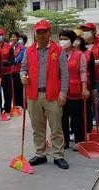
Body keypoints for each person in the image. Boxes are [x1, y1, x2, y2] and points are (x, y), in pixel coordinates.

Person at [20, 20, 69, 170]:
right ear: (35, 33)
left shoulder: (58, 50)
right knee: (37, 127)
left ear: (49, 33)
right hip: (34, 95)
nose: (41, 35)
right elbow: (23, 68)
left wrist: (63, 92)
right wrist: (23, 76)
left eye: (44, 32)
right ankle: (40, 153)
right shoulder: (29, 51)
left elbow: (64, 73)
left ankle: (58, 155)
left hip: (53, 95)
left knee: (56, 127)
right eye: (38, 32)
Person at [59, 30, 89, 151]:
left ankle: (79, 140)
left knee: (77, 118)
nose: (62, 41)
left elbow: (83, 72)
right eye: (60, 38)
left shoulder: (79, 54)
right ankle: (64, 140)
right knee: (62, 118)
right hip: (61, 92)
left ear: (71, 40)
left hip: (75, 91)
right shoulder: (57, 54)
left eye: (65, 38)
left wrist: (84, 88)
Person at [80, 23, 99, 127]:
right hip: (84, 79)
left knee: (98, 103)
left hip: (98, 78)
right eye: (83, 31)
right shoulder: (81, 45)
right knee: (86, 104)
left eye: (87, 30)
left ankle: (98, 124)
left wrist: (91, 63)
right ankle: (87, 125)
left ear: (93, 32)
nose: (85, 33)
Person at [73, 30, 95, 133]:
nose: (76, 42)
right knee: (75, 111)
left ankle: (87, 130)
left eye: (78, 39)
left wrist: (93, 88)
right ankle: (74, 130)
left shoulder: (88, 53)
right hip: (72, 87)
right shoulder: (67, 53)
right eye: (74, 40)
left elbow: (92, 71)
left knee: (86, 109)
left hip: (86, 85)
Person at [0, 28, 14, 118]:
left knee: (7, 92)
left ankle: (7, 110)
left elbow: (11, 61)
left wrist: (1, 63)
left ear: (3, 36)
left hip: (6, 73)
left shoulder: (8, 47)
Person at [11, 32, 26, 109]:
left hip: (18, 71)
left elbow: (19, 59)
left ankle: (20, 105)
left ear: (17, 38)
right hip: (11, 71)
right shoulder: (10, 47)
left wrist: (11, 61)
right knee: (13, 89)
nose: (12, 38)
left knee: (18, 89)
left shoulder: (22, 48)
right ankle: (15, 105)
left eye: (14, 37)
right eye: (11, 37)